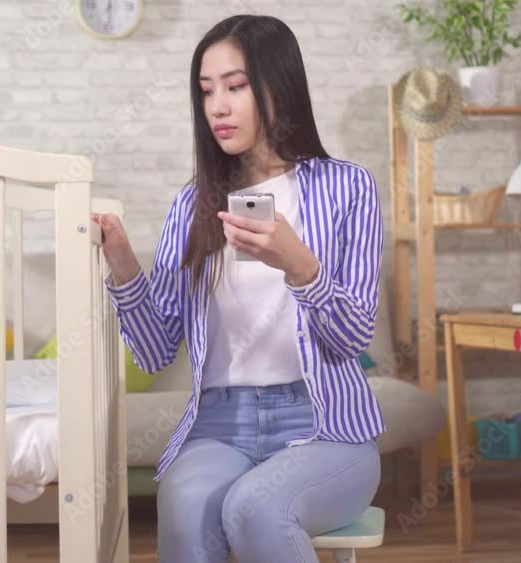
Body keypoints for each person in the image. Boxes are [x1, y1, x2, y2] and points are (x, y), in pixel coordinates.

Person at [93, 14, 384, 563]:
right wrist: (124, 265)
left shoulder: (349, 188)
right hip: (218, 425)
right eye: (207, 91)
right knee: (185, 508)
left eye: (235, 86)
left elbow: (352, 338)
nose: (218, 107)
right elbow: (155, 352)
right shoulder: (192, 204)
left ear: (279, 85)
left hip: (324, 425)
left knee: (255, 508)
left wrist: (300, 266)